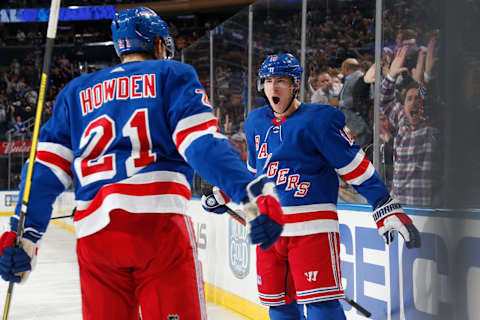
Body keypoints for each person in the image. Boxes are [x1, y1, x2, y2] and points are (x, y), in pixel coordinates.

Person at [0, 7, 284, 320]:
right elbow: (201, 145)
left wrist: (23, 236)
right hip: (159, 227)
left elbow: (44, 170)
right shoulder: (172, 75)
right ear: (159, 45)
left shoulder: (74, 92)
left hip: (96, 236)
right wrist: (250, 193)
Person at [203, 53, 421, 320]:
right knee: (279, 307)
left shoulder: (320, 119)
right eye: (268, 80)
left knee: (321, 308)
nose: (273, 87)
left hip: (312, 230)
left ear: (295, 84)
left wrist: (382, 203)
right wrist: (223, 194)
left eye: (281, 81)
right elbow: (254, 175)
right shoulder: (254, 123)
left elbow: (354, 165)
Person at [380, 44, 439, 207]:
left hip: (421, 209)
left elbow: (427, 103)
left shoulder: (430, 128)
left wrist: (427, 77)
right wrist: (390, 76)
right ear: (403, 104)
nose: (413, 103)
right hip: (397, 207)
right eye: (409, 99)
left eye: (417, 99)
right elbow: (384, 100)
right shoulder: (401, 120)